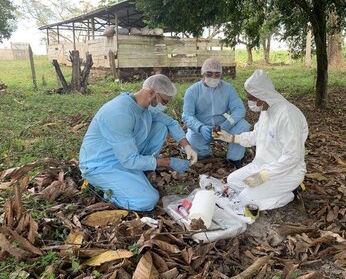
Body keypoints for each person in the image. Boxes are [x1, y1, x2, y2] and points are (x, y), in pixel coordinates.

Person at [79, 74, 198, 211]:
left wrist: (186, 146)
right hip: (101, 165)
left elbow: (170, 123)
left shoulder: (143, 106)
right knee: (148, 200)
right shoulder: (119, 113)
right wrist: (168, 162)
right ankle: (109, 193)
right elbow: (129, 160)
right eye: (164, 102)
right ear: (151, 93)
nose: (164, 106)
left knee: (160, 127)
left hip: (125, 156)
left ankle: (139, 172)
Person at [216, 69, 309, 210]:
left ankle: (291, 193)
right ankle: (265, 191)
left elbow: (292, 157)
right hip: (262, 166)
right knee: (232, 181)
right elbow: (256, 136)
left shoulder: (288, 115)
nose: (250, 102)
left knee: (246, 199)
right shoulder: (266, 111)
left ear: (262, 96)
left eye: (251, 98)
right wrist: (231, 137)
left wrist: (264, 175)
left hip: (287, 172)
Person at [182, 58, 251, 168]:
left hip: (224, 125)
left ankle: (235, 158)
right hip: (202, 128)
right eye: (209, 74)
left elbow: (239, 109)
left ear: (221, 75)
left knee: (243, 125)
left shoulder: (228, 88)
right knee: (191, 143)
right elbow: (187, 115)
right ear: (203, 73)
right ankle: (205, 154)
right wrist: (200, 127)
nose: (213, 78)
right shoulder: (192, 91)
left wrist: (227, 124)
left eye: (217, 75)